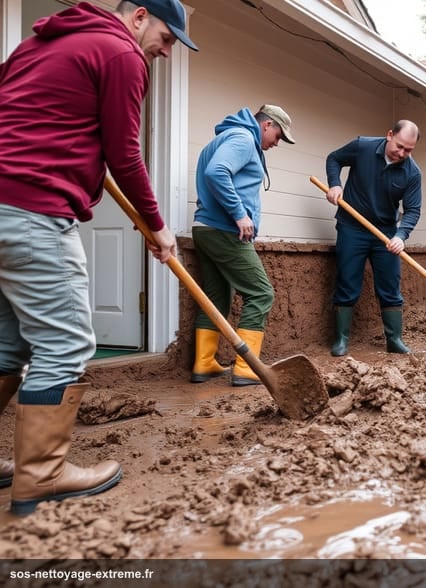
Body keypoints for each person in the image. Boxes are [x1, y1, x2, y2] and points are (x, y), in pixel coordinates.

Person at [0, 0, 197, 515]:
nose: (167, 51)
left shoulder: (37, 46)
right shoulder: (120, 53)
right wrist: (158, 226)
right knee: (66, 342)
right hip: (31, 208)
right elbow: (125, 152)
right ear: (137, 17)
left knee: (5, 344)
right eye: (167, 37)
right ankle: (40, 478)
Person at [190, 105, 295, 386]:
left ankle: (203, 362)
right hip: (224, 230)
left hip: (204, 228)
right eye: (278, 136)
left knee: (216, 296)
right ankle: (247, 369)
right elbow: (217, 172)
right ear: (267, 125)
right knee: (261, 293)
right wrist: (240, 214)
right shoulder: (243, 139)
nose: (276, 143)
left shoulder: (225, 138)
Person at [324, 121, 422, 356]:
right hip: (351, 228)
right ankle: (341, 340)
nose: (402, 154)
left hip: (385, 234)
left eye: (408, 150)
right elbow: (333, 158)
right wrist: (335, 184)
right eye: (399, 146)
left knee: (390, 286)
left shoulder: (412, 172)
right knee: (348, 282)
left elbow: (413, 210)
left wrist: (401, 235)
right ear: (389, 135)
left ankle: (394, 340)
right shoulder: (363, 147)